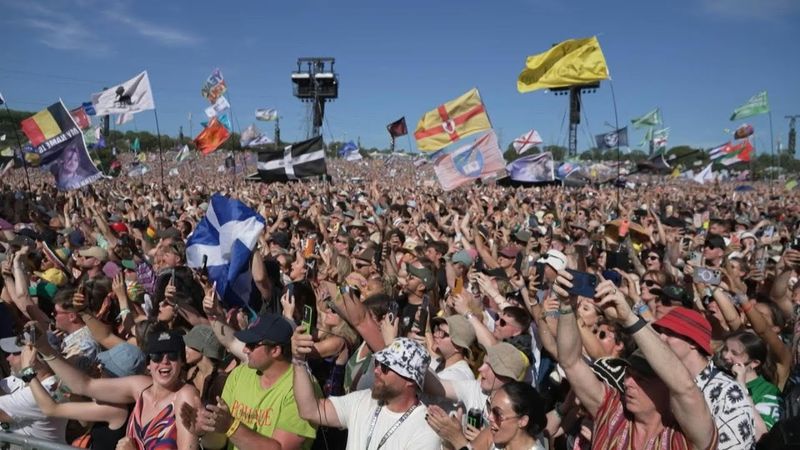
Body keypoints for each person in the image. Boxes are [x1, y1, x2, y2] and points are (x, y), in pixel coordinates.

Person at [553, 271, 718, 449]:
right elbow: (570, 363)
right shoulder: (611, 411)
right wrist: (566, 306)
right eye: (629, 374)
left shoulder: (684, 437)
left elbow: (685, 387)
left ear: (667, 386)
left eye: (641, 379)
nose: (628, 382)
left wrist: (629, 319)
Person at [31, 327, 201, 450]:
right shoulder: (141, 387)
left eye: (172, 355)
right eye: (157, 356)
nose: (164, 361)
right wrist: (45, 349)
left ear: (182, 361)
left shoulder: (185, 395)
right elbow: (84, 385)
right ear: (149, 363)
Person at [192, 313, 318, 450]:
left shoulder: (301, 389)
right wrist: (203, 431)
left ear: (275, 350)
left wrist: (231, 426)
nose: (245, 349)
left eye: (251, 345)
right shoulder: (239, 374)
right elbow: (219, 442)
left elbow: (281, 448)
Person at [292, 334, 441, 449]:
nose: (376, 370)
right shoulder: (363, 400)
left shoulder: (425, 430)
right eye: (377, 362)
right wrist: (299, 361)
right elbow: (310, 411)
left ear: (410, 380)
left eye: (385, 368)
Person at [652, 307, 756, 449]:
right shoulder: (658, 379)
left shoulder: (728, 393)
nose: (661, 338)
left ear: (693, 343)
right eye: (661, 333)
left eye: (669, 333)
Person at [427, 381, 548, 450]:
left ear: (522, 421)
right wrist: (448, 438)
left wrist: (457, 439)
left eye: (497, 414)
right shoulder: (492, 434)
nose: (490, 417)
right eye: (490, 409)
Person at [0, 335, 67, 443]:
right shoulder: (27, 380)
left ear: (35, 358)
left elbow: (2, 413)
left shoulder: (46, 391)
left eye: (16, 353)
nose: (8, 358)